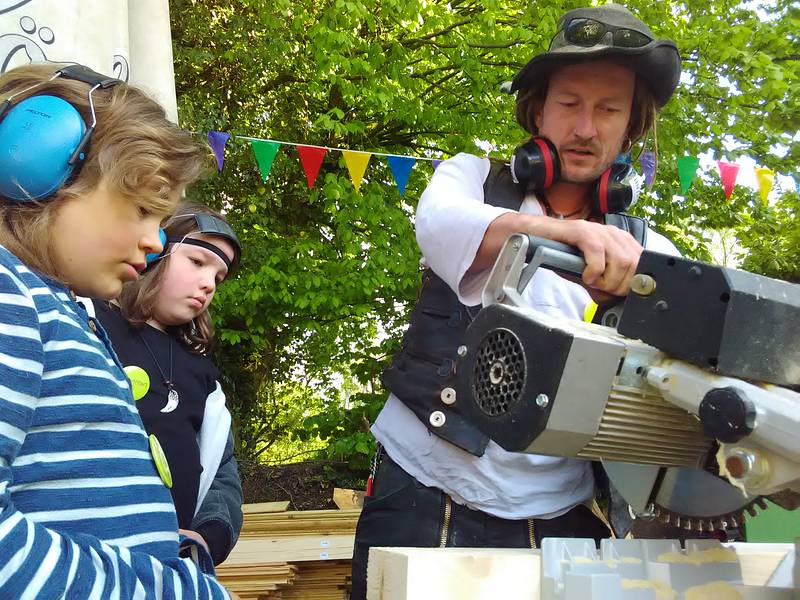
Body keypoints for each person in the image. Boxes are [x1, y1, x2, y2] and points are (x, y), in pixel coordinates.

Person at [351, 4, 683, 597]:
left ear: (631, 124)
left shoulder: (650, 251)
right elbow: (442, 224)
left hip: (562, 517)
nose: (586, 128)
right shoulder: (471, 178)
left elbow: (677, 385)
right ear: (537, 110)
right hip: (422, 488)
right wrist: (572, 235)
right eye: (570, 103)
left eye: (609, 109)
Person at [0, 63, 235, 598]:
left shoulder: (61, 307)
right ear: (37, 167)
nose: (156, 242)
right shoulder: (9, 293)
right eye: (143, 209)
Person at [89, 202, 244, 566]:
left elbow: (222, 471)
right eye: (197, 262)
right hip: (90, 558)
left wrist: (210, 534)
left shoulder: (204, 376)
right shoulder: (88, 324)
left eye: (218, 278)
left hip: (169, 569)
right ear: (156, 249)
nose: (208, 283)